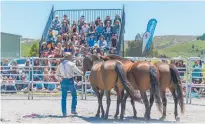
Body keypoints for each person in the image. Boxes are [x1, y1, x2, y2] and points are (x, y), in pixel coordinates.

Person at [55, 52, 83, 117]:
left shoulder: (60, 65)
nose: (71, 57)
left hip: (63, 81)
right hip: (70, 81)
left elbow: (56, 75)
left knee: (63, 97)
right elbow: (78, 72)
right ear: (68, 57)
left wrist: (60, 79)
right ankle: (73, 110)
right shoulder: (71, 64)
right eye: (70, 56)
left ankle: (64, 113)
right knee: (74, 95)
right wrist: (82, 73)